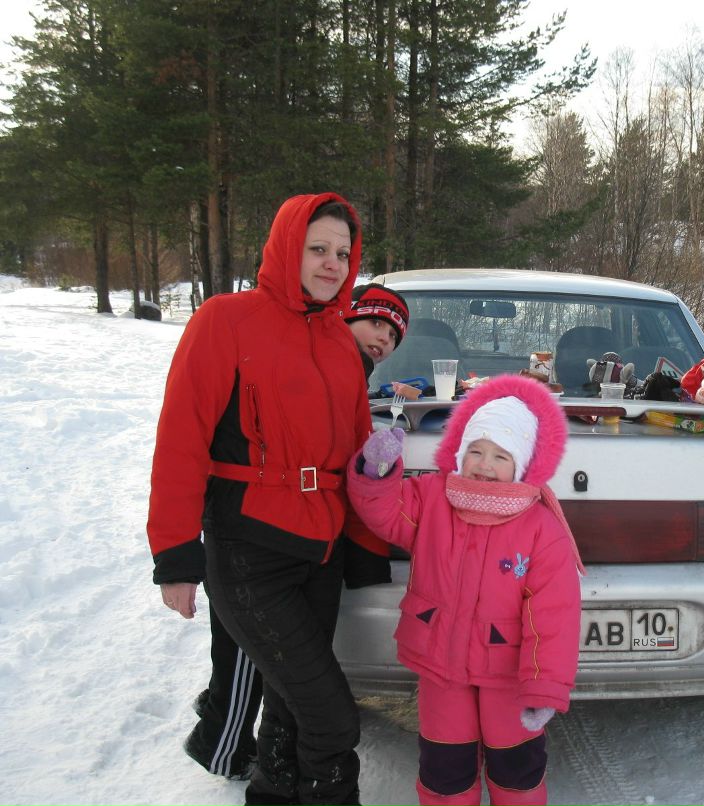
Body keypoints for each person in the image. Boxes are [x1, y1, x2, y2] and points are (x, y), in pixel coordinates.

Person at [147, 192, 371, 806]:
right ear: (285, 246)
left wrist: (368, 544)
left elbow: (358, 453)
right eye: (317, 249)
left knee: (290, 710)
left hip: (319, 550)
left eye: (342, 254)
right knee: (332, 719)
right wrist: (174, 555)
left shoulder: (339, 341)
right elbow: (181, 440)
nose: (331, 264)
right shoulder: (226, 319)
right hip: (250, 549)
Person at [181, 281, 410, 782]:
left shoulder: (351, 370)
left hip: (305, 542)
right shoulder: (276, 341)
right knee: (243, 661)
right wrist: (178, 553)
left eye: (393, 337)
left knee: (271, 666)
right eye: (375, 323)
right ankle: (222, 748)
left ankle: (251, 751)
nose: (383, 340)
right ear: (344, 316)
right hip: (252, 536)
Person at [347, 374, 584, 806]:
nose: (484, 464)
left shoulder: (540, 527)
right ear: (459, 453)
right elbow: (386, 512)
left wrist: (544, 686)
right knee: (445, 769)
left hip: (508, 676)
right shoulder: (434, 497)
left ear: (523, 464)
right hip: (442, 668)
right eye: (475, 450)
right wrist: (376, 471)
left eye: (499, 455)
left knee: (516, 769)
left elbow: (553, 615)